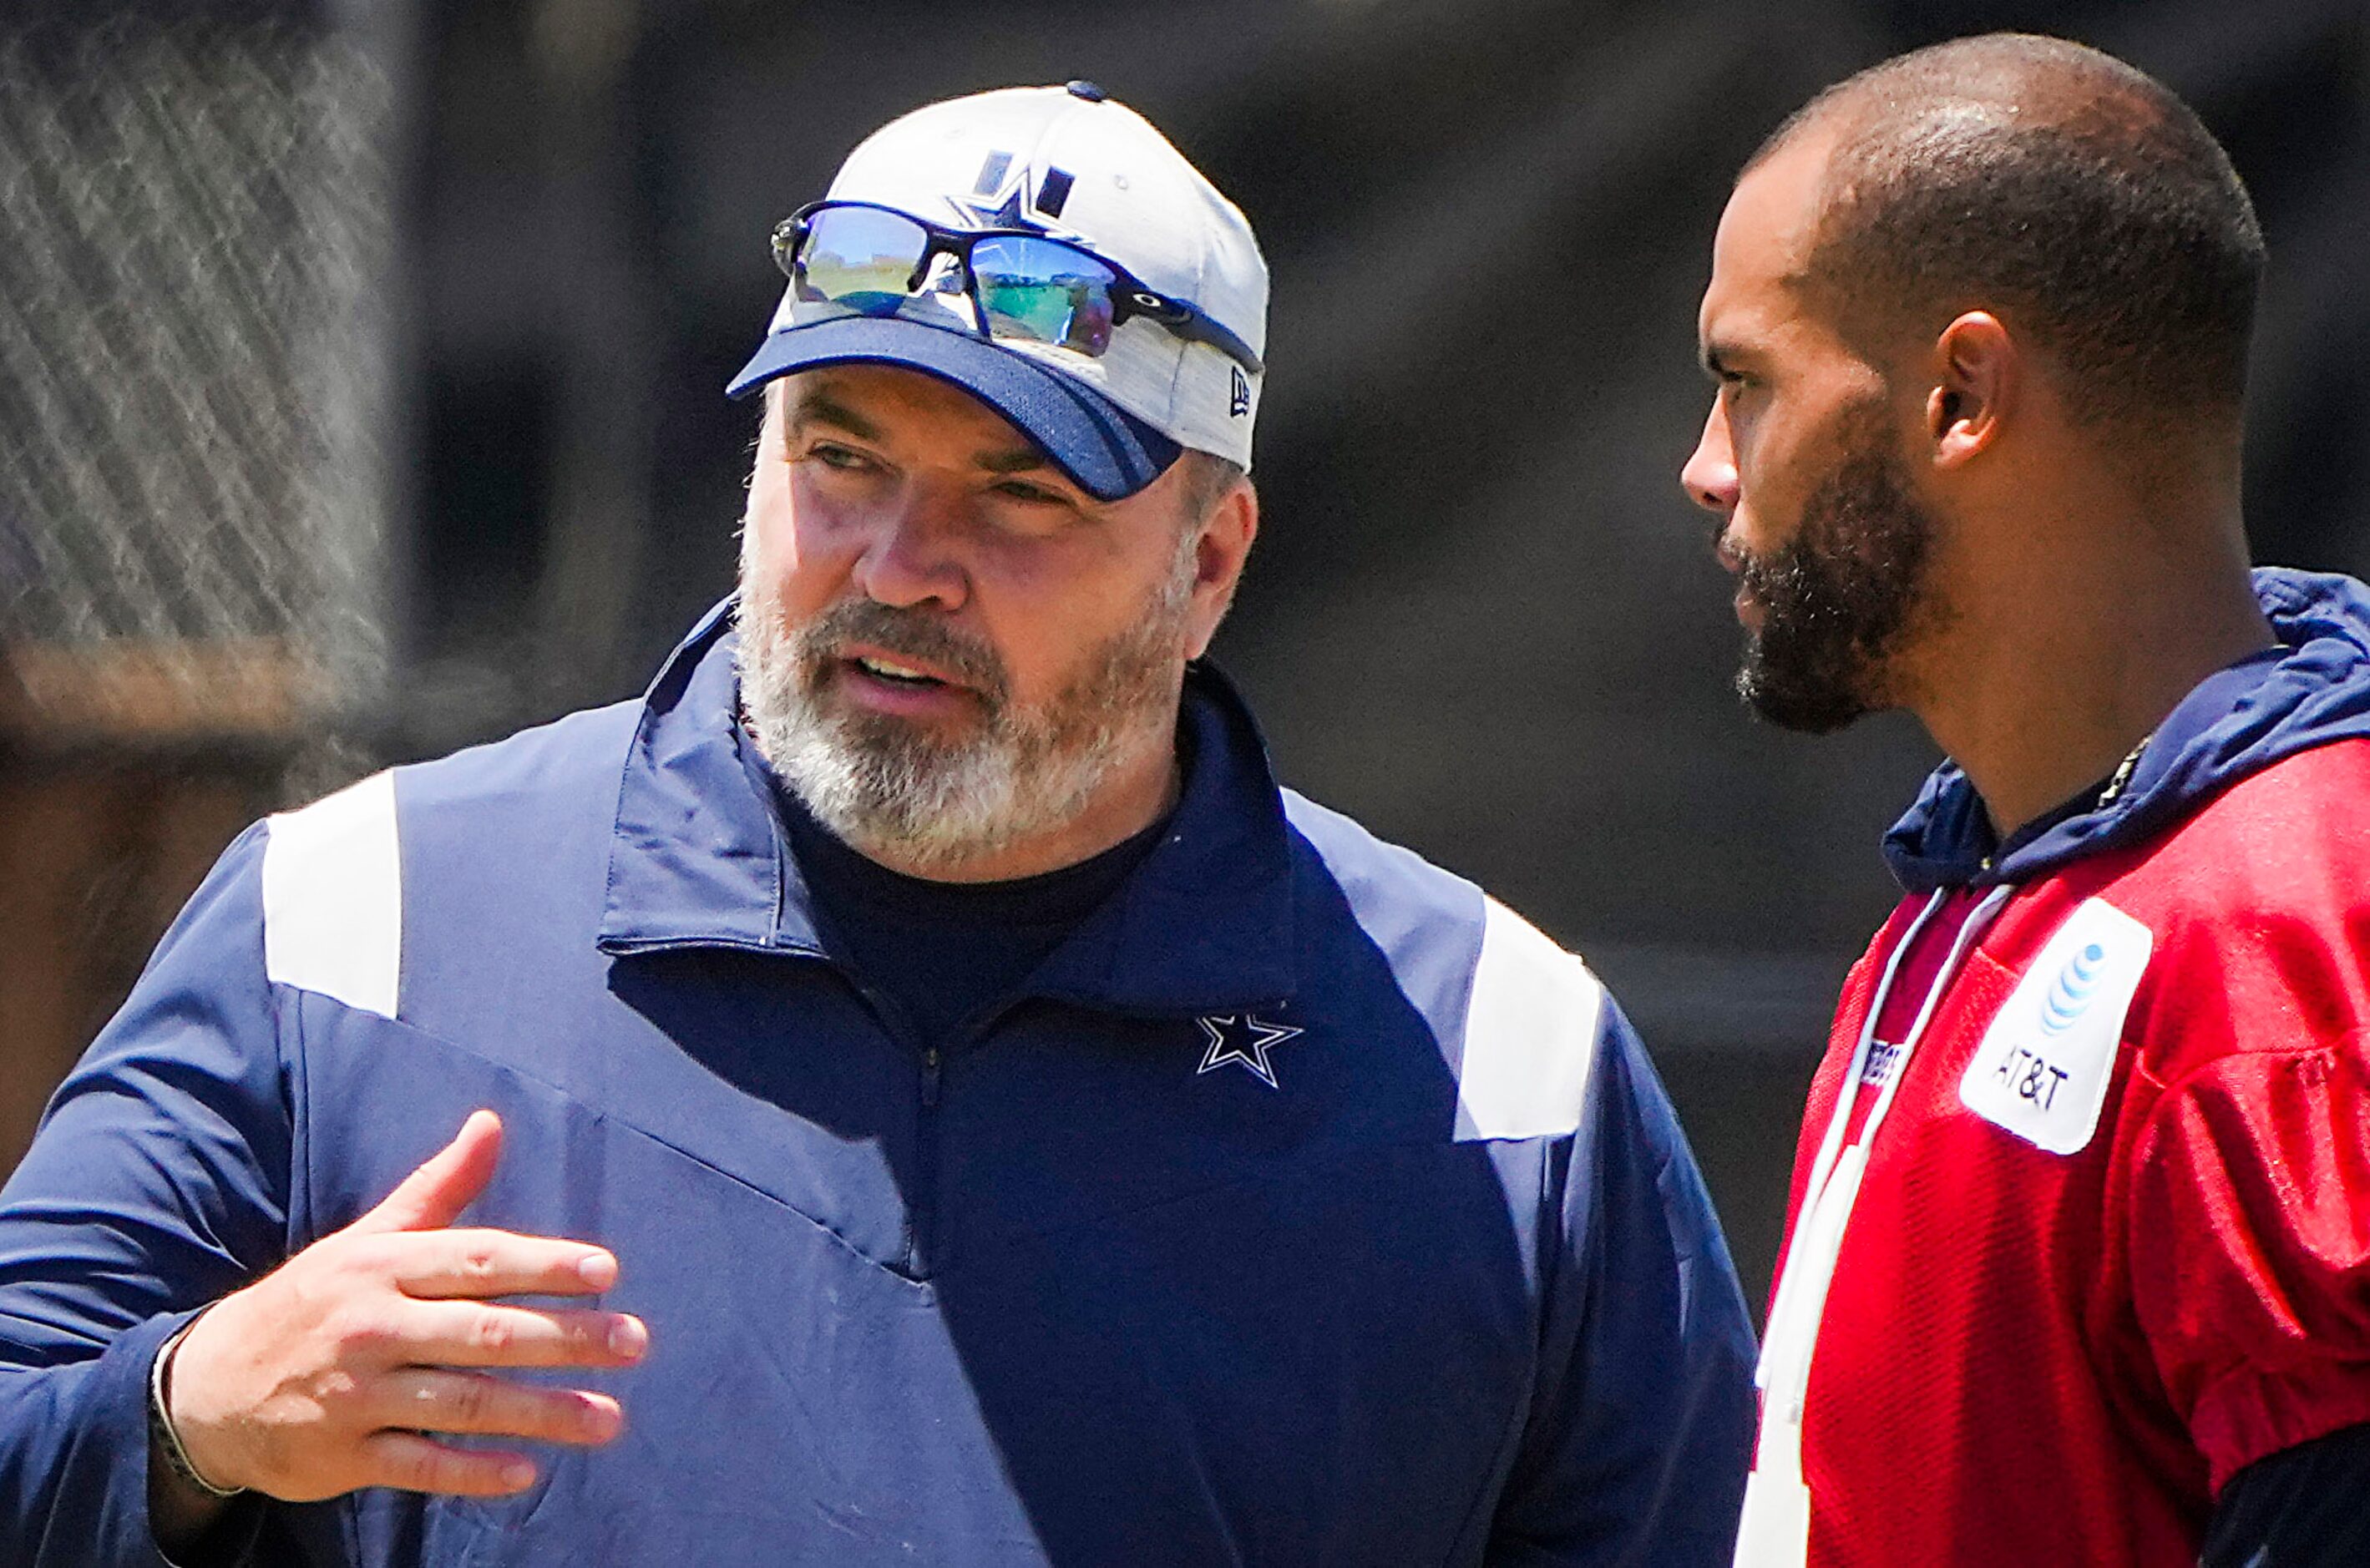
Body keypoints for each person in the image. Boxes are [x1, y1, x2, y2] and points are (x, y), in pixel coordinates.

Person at [0, 82, 1755, 1566]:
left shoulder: (1503, 1072)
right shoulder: (351, 920)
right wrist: (192, 1415)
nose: (903, 570)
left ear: (1208, 563)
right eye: (841, 459)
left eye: (1021, 494)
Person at [1679, 31, 2370, 1568]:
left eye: (1746, 384)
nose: (1705, 470)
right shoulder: (1971, 898)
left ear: (1959, 395)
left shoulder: (2288, 948)